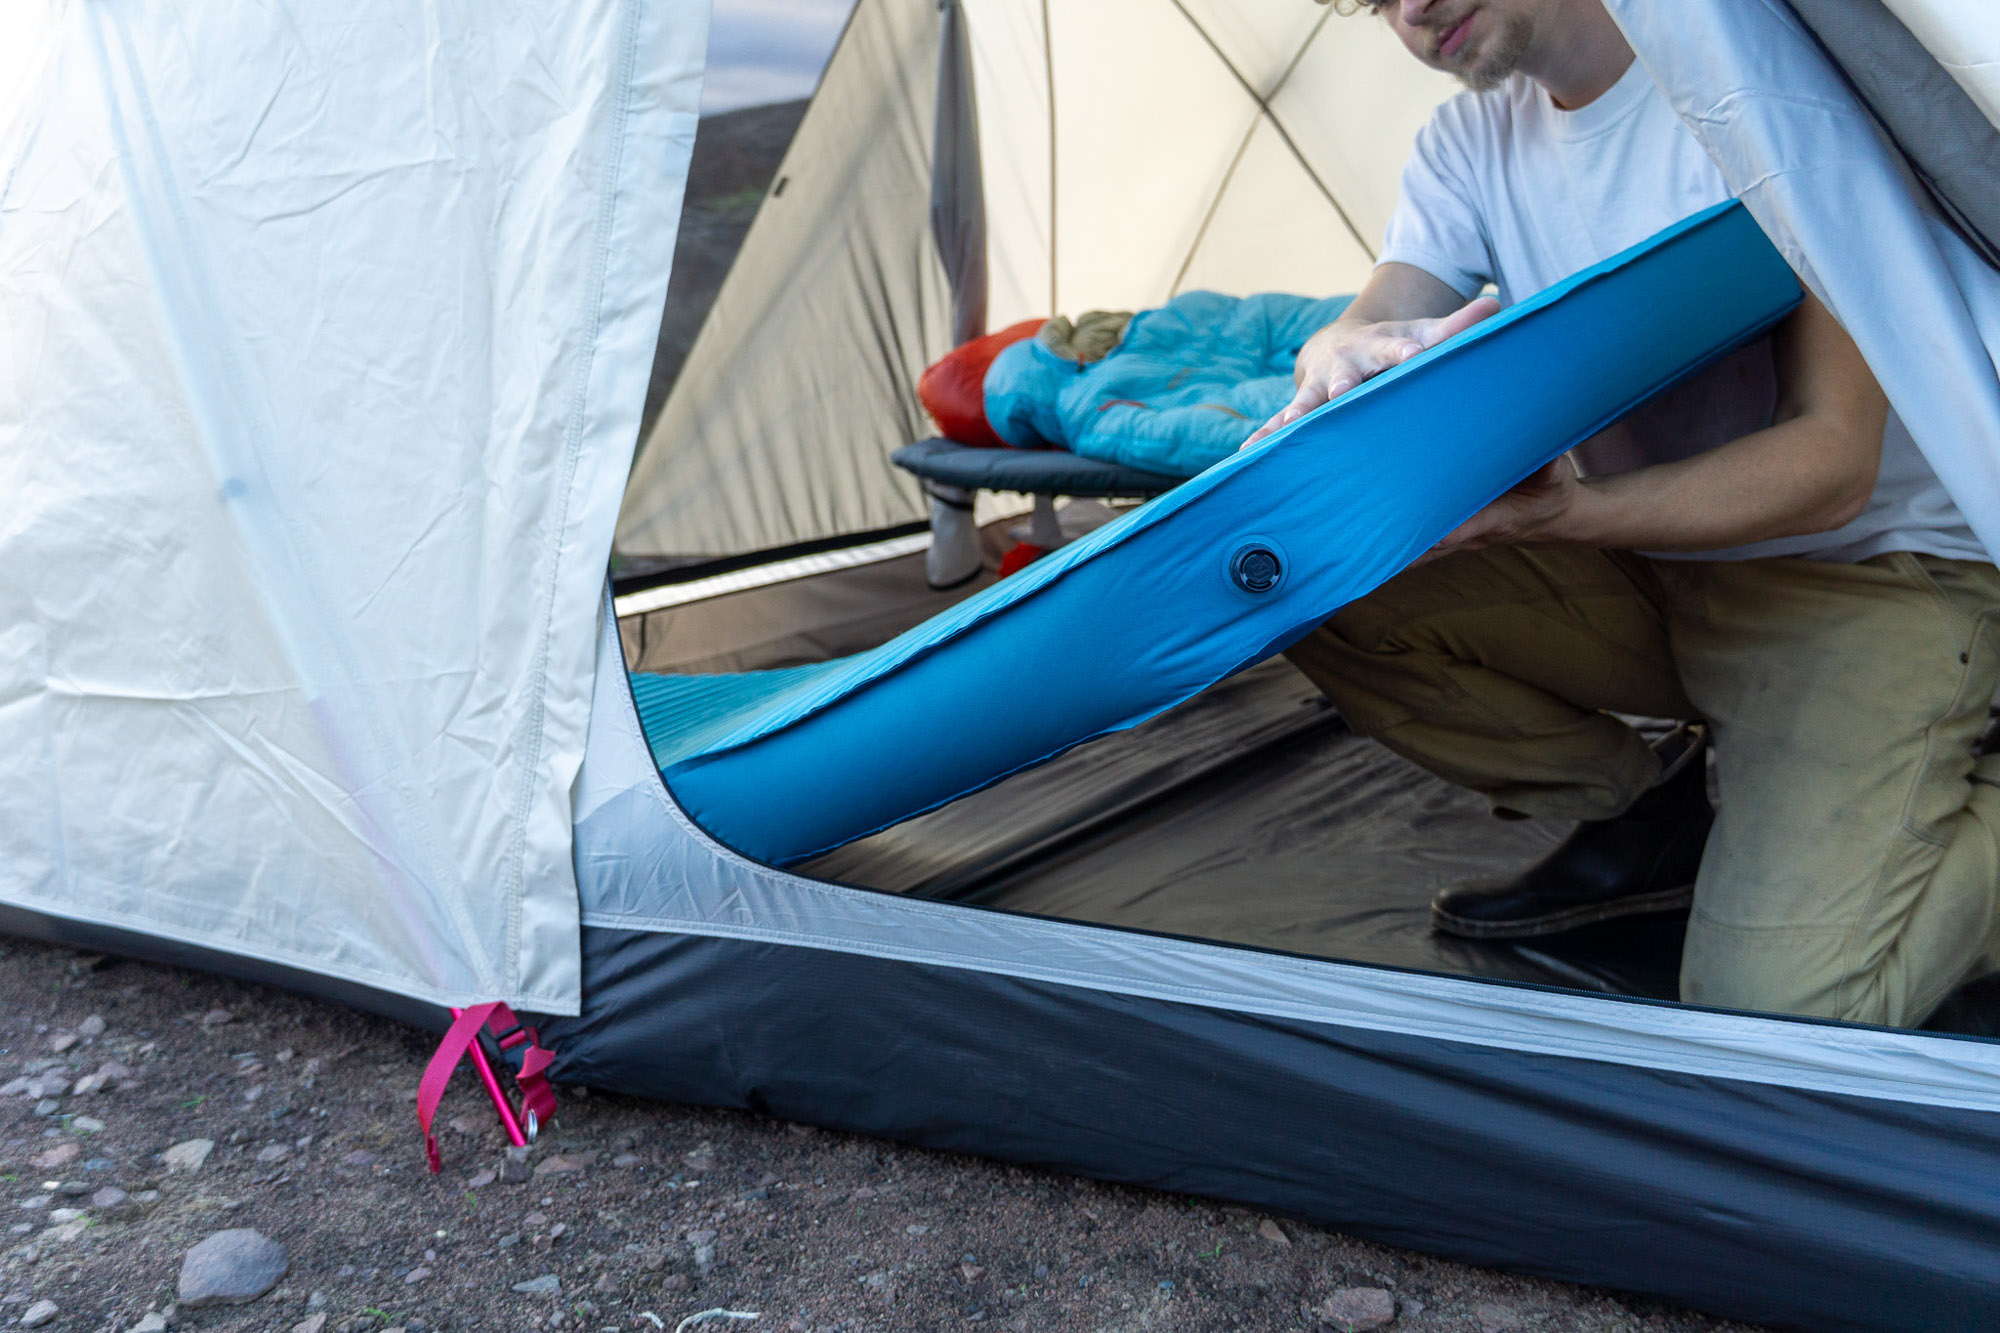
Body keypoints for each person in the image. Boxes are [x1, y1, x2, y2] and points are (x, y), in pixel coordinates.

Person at [1248, 0, 2000, 1027]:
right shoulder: (1470, 142)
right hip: (1654, 568)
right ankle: (1660, 800)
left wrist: (1566, 514)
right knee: (1302, 570)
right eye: (1376, 1)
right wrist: (1338, 346)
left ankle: (1882, 799)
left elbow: (1831, 466)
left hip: (1863, 578)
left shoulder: (1753, 89)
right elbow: (1380, 307)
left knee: (1774, 1018)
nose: (1412, 11)